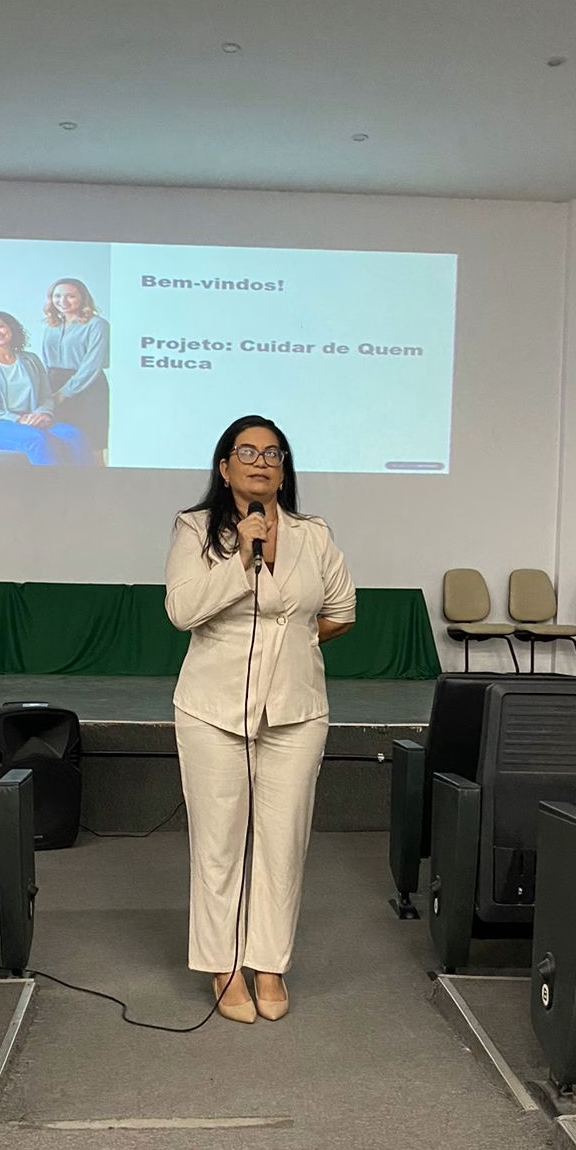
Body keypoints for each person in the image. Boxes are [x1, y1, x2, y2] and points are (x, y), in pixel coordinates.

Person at [164, 418, 356, 1023]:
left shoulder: (312, 533)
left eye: (273, 452)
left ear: (284, 468)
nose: (261, 461)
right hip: (211, 709)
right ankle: (224, 967)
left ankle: (269, 964)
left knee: (283, 844)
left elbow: (341, 610)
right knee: (218, 845)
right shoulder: (196, 530)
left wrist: (293, 640)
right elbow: (183, 610)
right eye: (246, 451)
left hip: (297, 712)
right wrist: (241, 561)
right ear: (224, 467)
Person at [0, 310, 90, 465]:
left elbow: (45, 397)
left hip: (25, 421)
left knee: (72, 435)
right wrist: (17, 419)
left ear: (10, 328)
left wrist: (43, 414)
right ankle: (51, 488)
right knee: (36, 439)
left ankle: (83, 487)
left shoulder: (31, 359)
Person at [40, 279, 110, 462]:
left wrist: (65, 393)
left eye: (70, 296)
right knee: (59, 442)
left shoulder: (97, 324)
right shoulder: (51, 325)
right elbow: (47, 362)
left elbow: (92, 364)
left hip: (88, 387)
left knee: (92, 445)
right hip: (54, 383)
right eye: (57, 296)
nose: (63, 301)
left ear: (82, 298)